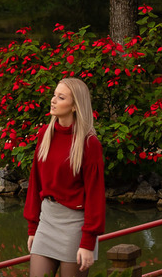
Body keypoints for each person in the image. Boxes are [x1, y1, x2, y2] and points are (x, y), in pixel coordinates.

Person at [24, 77, 106, 277]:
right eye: (54, 95)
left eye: (60, 97)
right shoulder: (45, 134)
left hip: (74, 227)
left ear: (75, 106)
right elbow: (35, 183)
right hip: (46, 221)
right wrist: (33, 227)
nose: (53, 100)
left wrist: (88, 242)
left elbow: (95, 196)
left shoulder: (89, 143)